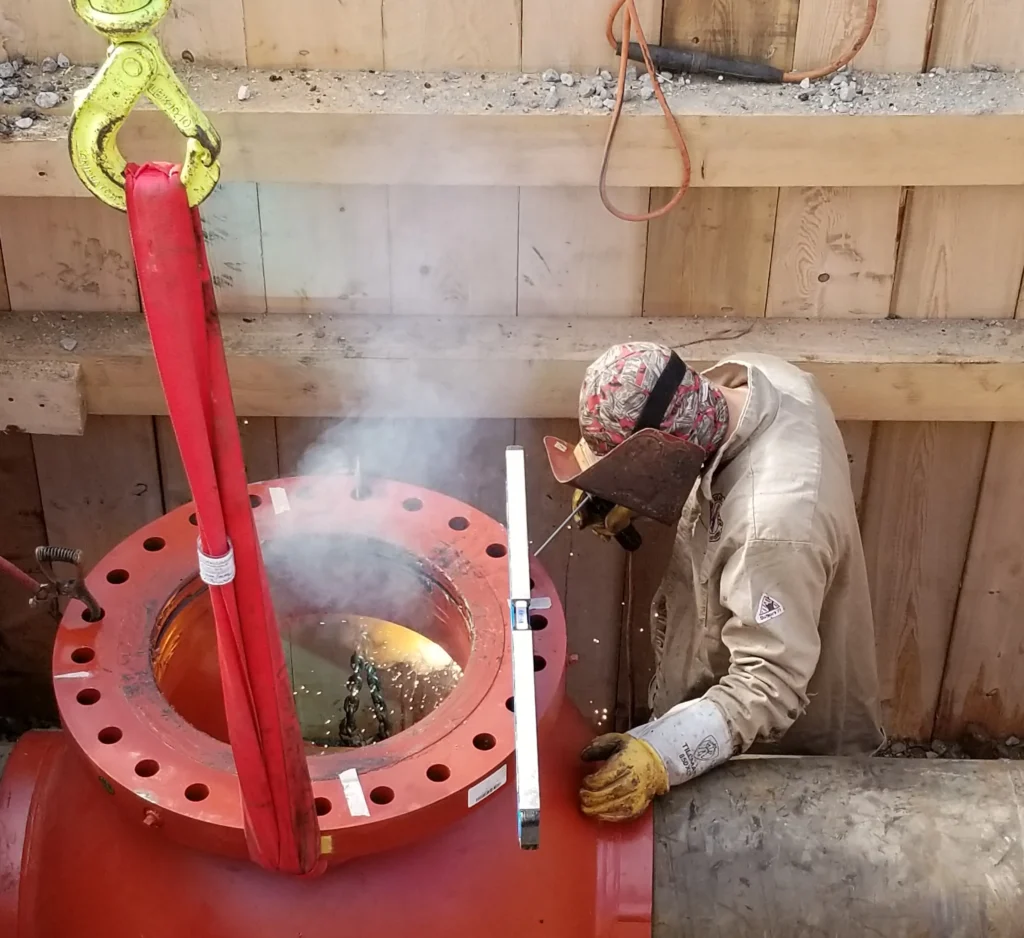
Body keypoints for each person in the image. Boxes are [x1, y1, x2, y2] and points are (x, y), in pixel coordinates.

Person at [543, 342, 884, 823]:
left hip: (778, 756)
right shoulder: (757, 378)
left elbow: (770, 684)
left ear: (671, 449)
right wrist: (623, 489)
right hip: (712, 679)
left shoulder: (773, 528)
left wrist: (663, 754)